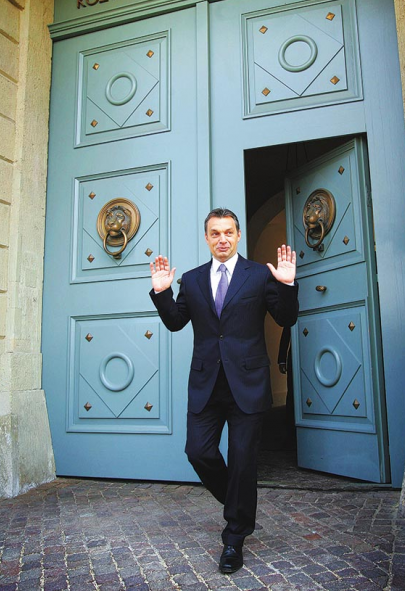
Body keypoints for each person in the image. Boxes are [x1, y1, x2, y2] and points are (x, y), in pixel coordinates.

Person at [149, 208, 298, 573]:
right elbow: (175, 322)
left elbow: (286, 318)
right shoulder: (192, 279)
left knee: (244, 459)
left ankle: (234, 537)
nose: (222, 239)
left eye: (228, 232)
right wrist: (162, 292)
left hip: (247, 384)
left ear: (238, 235)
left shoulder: (259, 275)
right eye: (215, 233)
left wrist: (286, 285)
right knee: (198, 452)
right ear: (206, 238)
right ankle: (238, 500)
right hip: (206, 384)